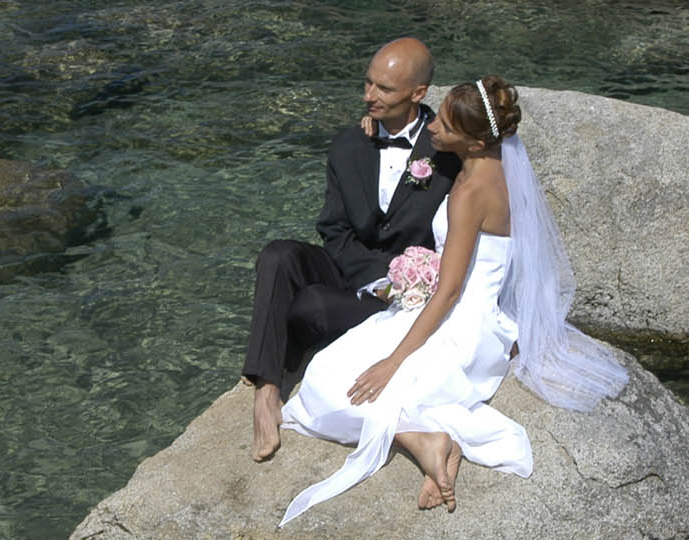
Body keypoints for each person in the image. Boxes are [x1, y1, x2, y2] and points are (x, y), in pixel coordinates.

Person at [277, 76, 630, 526]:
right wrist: (373, 120)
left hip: (461, 325)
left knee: (335, 391)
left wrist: (393, 360)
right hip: (463, 311)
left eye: (444, 125)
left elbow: (449, 290)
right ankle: (424, 440)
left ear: (477, 139)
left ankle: (424, 441)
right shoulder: (491, 166)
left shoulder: (469, 193)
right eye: (437, 117)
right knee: (328, 374)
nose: (433, 131)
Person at [242, 37, 462, 462]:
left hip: (406, 295)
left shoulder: (446, 149)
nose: (368, 96)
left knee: (310, 307)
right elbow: (333, 229)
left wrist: (395, 283)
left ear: (418, 94)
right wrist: (370, 278)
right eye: (367, 84)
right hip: (353, 270)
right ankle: (266, 392)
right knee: (277, 256)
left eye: (383, 89)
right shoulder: (348, 143)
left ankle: (300, 344)